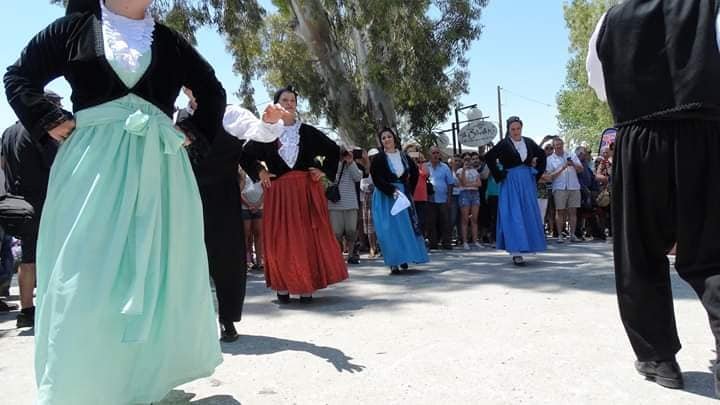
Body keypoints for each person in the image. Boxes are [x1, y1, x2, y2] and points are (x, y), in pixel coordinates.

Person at [4, 0, 227, 402]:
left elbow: (212, 90)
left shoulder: (171, 42)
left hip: (160, 169)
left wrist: (193, 131)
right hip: (91, 168)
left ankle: (145, 379)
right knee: (84, 272)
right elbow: (19, 76)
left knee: (156, 272)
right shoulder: (73, 29)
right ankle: (80, 383)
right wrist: (47, 118)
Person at [587, 0, 720, 393]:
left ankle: (658, 358)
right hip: (705, 134)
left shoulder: (608, 21)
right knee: (713, 251)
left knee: (639, 252)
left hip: (638, 138)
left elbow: (599, 85)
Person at [177, 88, 285, 342]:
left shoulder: (231, 114)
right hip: (185, 194)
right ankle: (186, 324)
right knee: (185, 260)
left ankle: (226, 319)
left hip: (223, 196)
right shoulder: (176, 117)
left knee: (227, 259)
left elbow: (258, 132)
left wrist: (269, 122)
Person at [242, 86, 347, 303]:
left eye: (292, 100)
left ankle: (307, 285)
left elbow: (332, 149)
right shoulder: (266, 133)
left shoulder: (307, 131)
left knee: (307, 236)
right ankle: (283, 286)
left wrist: (322, 170)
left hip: (305, 191)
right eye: (284, 100)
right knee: (281, 239)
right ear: (276, 104)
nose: (289, 103)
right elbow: (245, 155)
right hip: (279, 193)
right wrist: (260, 171)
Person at [0, 91, 60, 328]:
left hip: (17, 203)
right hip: (41, 201)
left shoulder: (8, 133)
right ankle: (40, 307)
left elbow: (3, 165)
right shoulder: (40, 131)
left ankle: (27, 311)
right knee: (43, 257)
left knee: (28, 257)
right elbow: (57, 165)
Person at [484, 116, 547, 266]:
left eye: (518, 128)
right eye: (513, 129)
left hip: (526, 181)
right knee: (514, 214)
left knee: (527, 212)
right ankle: (516, 251)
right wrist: (500, 175)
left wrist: (537, 173)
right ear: (508, 130)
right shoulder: (504, 144)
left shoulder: (528, 142)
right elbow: (489, 157)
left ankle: (529, 245)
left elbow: (542, 154)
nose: (516, 131)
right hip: (511, 181)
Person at [370, 128, 428, 274]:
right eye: (383, 138)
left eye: (389, 136)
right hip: (385, 196)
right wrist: (391, 190)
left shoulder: (404, 156)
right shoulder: (378, 159)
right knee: (389, 230)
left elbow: (414, 173)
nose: (386, 140)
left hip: (402, 195)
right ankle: (394, 262)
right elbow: (377, 179)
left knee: (404, 228)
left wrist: (407, 190)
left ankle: (404, 257)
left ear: (394, 138)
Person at [328, 148, 363, 264]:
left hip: (351, 204)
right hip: (335, 204)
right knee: (336, 232)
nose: (343, 155)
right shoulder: (331, 163)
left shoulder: (351, 164)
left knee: (351, 231)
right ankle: (338, 254)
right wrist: (338, 162)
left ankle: (352, 254)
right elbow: (329, 177)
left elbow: (358, 177)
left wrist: (351, 162)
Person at [545, 137, 584, 243]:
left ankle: (572, 234)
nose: (559, 147)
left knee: (573, 211)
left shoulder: (571, 154)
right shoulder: (550, 159)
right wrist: (562, 167)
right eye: (556, 145)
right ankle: (560, 235)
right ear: (553, 146)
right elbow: (549, 176)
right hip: (559, 187)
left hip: (573, 186)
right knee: (560, 211)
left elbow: (581, 169)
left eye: (560, 144)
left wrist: (573, 164)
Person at [424, 146, 455, 250]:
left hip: (443, 199)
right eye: (433, 153)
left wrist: (449, 198)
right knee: (431, 222)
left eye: (437, 153)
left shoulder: (445, 167)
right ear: (429, 155)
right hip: (429, 199)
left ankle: (447, 243)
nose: (436, 155)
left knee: (445, 222)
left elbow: (450, 183)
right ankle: (433, 244)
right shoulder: (425, 166)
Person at [456, 153, 483, 249]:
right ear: (463, 160)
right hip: (464, 194)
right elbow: (462, 182)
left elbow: (479, 183)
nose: (468, 161)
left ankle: (475, 241)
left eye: (469, 159)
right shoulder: (459, 170)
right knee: (465, 219)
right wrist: (464, 169)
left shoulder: (475, 171)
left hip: (475, 194)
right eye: (466, 159)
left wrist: (469, 184)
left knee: (474, 218)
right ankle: (465, 242)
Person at [360, 148, 380, 258]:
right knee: (371, 225)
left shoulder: (383, 168)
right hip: (369, 198)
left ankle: (382, 247)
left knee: (381, 223)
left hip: (381, 197)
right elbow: (362, 185)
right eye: (372, 157)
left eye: (376, 156)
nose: (374, 159)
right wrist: (371, 186)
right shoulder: (366, 168)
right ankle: (372, 247)